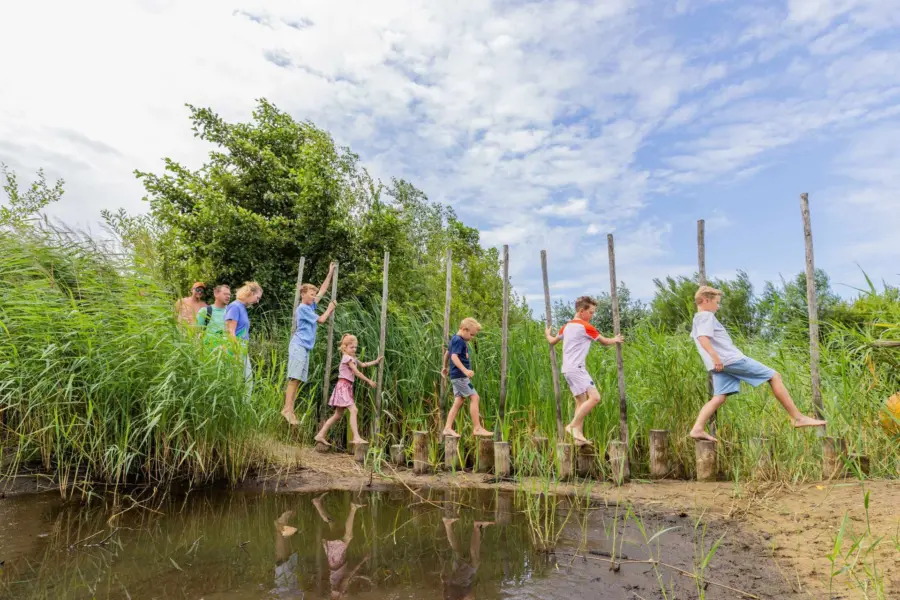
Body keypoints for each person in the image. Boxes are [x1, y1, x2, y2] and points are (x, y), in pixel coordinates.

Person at [689, 285, 827, 442]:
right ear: (706, 300)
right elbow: (703, 338)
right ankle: (798, 418)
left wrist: (715, 360)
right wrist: (716, 357)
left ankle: (697, 428)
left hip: (719, 365)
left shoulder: (697, 319)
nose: (718, 306)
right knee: (774, 376)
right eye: (717, 302)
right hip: (729, 360)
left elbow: (702, 339)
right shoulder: (706, 316)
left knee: (719, 397)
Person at [544, 296, 624, 445]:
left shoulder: (566, 326)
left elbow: (552, 341)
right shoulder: (586, 326)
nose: (592, 316)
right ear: (582, 311)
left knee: (581, 402)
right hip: (577, 369)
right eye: (591, 312)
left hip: (567, 370)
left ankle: (578, 438)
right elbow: (605, 342)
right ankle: (572, 426)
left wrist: (547, 334)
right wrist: (616, 339)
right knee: (595, 398)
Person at [282, 262, 337, 425]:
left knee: (298, 379)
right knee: (293, 378)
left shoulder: (310, 305)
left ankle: (290, 410)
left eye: (314, 294)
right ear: (303, 294)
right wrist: (329, 308)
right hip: (298, 345)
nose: (314, 296)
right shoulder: (303, 308)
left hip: (305, 348)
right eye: (311, 294)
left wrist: (330, 273)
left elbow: (323, 290)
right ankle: (287, 409)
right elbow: (321, 320)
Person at [314, 334, 383, 447]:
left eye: (355, 347)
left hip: (346, 386)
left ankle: (320, 435)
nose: (354, 349)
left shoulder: (352, 357)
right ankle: (356, 436)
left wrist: (375, 362)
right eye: (352, 347)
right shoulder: (347, 358)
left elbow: (364, 365)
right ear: (344, 347)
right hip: (343, 386)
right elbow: (356, 372)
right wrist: (368, 381)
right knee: (354, 410)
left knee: (337, 415)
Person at [312, 493, 370, 600]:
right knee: (333, 523)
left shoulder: (340, 590)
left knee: (348, 536)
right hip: (332, 557)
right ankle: (317, 503)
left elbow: (348, 575)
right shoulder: (334, 591)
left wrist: (363, 560)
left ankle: (353, 508)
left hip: (337, 559)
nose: (347, 597)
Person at [441, 318, 492, 439]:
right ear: (464, 330)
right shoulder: (459, 341)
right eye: (471, 334)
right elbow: (454, 357)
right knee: (475, 397)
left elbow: (447, 354)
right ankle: (477, 428)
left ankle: (447, 428)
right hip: (461, 377)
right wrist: (465, 370)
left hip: (456, 377)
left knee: (459, 400)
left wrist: (444, 367)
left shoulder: (454, 338)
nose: (472, 337)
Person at [441, 517, 492, 600]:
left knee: (474, 562)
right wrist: (445, 582)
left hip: (459, 582)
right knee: (458, 551)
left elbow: (470, 596)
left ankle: (477, 527)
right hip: (456, 581)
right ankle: (447, 524)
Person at [225, 281, 263, 391]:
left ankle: (243, 407)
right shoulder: (235, 306)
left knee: (247, 382)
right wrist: (236, 351)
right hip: (234, 350)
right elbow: (230, 331)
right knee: (240, 382)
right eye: (257, 297)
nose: (258, 301)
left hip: (242, 349)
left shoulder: (242, 308)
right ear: (250, 293)